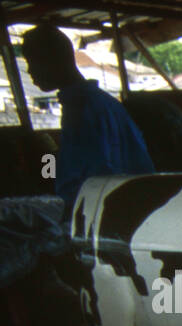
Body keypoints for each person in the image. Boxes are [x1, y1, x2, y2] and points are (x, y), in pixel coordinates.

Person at [20, 23, 154, 209]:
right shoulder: (102, 103)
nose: (29, 71)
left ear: (55, 60)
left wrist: (48, 166)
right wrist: (50, 159)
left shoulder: (83, 110)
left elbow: (96, 182)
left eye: (32, 62)